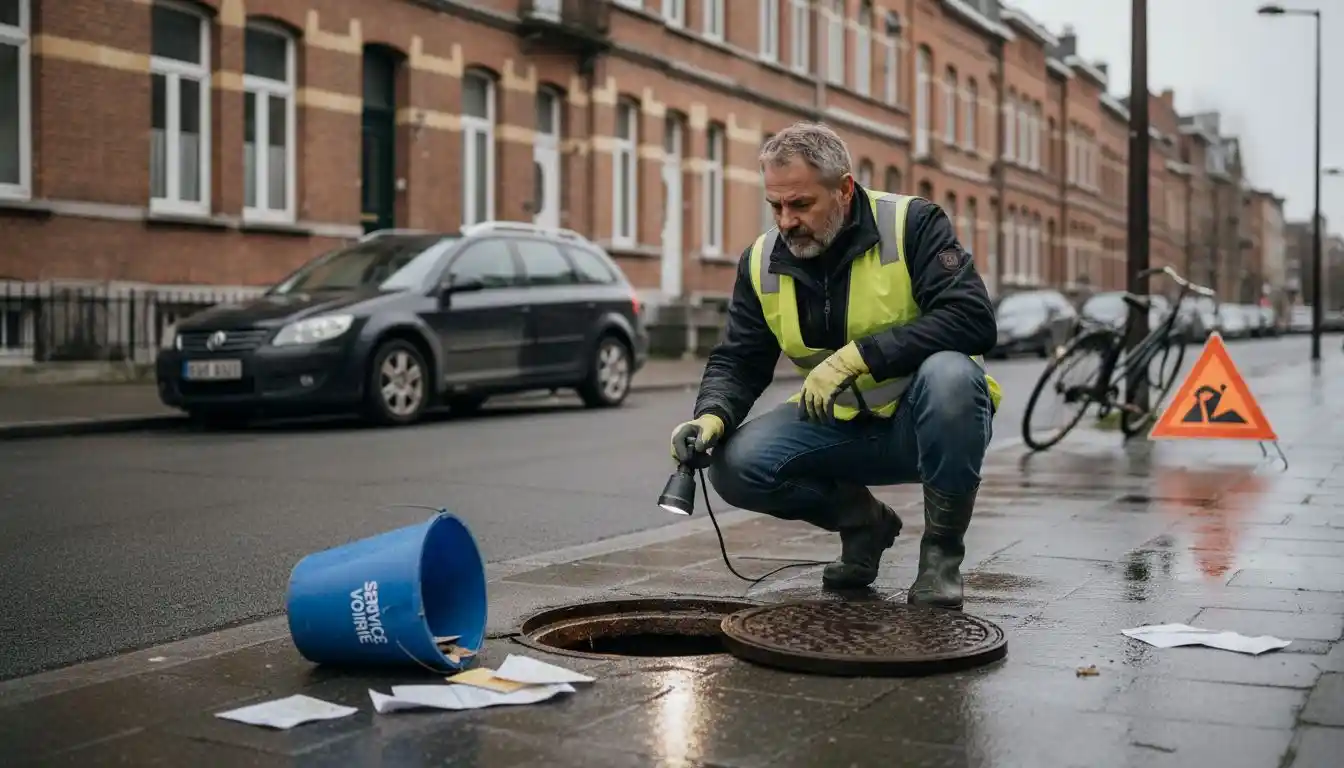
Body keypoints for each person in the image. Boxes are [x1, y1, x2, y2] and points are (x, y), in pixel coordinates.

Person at [668, 121, 1002, 610]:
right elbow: (740, 358)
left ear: (844, 189)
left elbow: (972, 319)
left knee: (951, 375)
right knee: (736, 464)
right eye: (776, 206)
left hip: (927, 426)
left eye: (801, 204)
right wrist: (711, 415)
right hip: (839, 427)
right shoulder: (761, 261)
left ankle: (940, 557)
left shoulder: (913, 225)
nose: (785, 221)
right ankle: (865, 525)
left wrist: (859, 356)